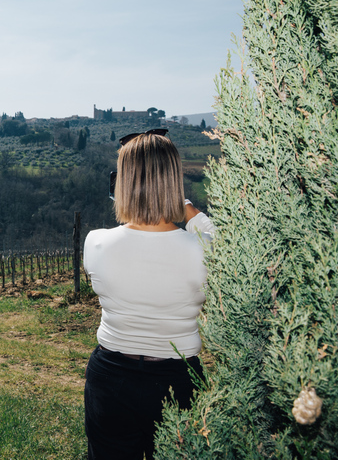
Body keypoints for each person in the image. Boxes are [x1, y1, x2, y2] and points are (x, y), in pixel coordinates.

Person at [82, 130, 215, 460]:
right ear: (175, 181)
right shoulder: (205, 250)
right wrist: (183, 207)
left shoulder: (96, 243)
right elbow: (219, 238)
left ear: (121, 182)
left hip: (112, 376)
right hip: (179, 379)